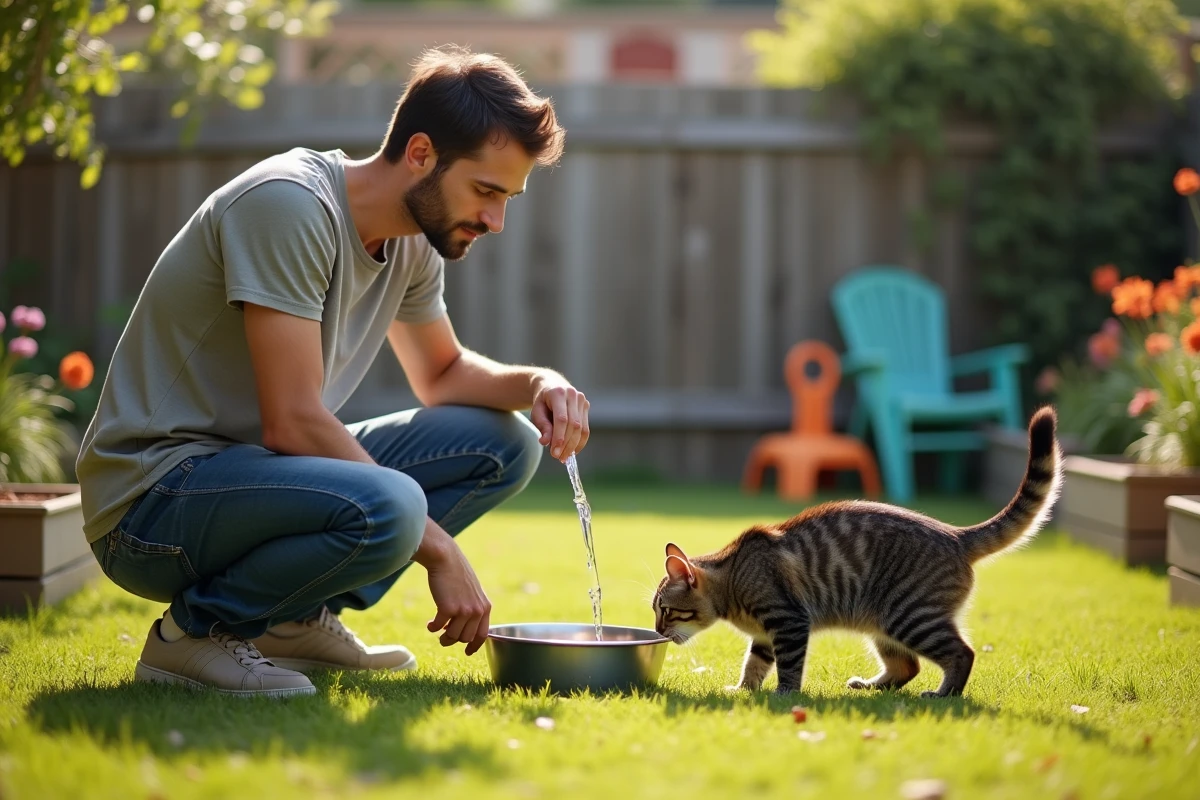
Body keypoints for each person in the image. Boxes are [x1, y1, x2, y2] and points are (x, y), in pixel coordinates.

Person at [76, 46, 590, 698]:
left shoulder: (412, 240)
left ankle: (288, 622)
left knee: (503, 442)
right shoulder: (289, 205)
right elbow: (292, 421)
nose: (496, 221)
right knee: (395, 503)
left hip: (250, 477)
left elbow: (443, 374)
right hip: (151, 505)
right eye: (486, 191)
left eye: (508, 197)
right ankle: (192, 635)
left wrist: (539, 383)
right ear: (422, 154)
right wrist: (438, 548)